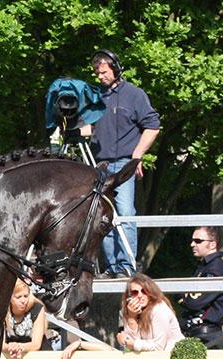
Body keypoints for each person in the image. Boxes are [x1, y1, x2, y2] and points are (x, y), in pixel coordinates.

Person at [90, 50, 161, 278]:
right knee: (103, 216)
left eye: (104, 72)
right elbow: (89, 129)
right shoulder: (95, 97)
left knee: (126, 214)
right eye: (97, 74)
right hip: (99, 165)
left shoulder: (134, 95)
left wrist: (137, 155)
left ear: (115, 68)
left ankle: (126, 266)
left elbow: (153, 126)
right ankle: (111, 267)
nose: (100, 77)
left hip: (123, 164)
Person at [177, 226, 223, 347]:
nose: (192, 244)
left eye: (198, 241)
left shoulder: (215, 268)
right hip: (195, 332)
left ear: (212, 244)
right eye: (192, 240)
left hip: (206, 336)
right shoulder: (205, 266)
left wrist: (182, 297)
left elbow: (194, 302)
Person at [116, 273, 183, 352]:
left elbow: (158, 348)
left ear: (151, 292)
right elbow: (132, 346)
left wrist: (133, 344)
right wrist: (131, 318)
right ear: (129, 296)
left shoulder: (159, 310)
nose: (140, 295)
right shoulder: (130, 310)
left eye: (144, 291)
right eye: (135, 292)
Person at [3, 279, 46, 359]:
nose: (23, 300)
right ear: (10, 297)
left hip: (37, 358)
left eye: (26, 296)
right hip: (10, 358)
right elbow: (0, 344)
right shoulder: (3, 311)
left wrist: (19, 347)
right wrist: (10, 348)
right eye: (18, 297)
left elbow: (36, 344)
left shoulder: (37, 308)